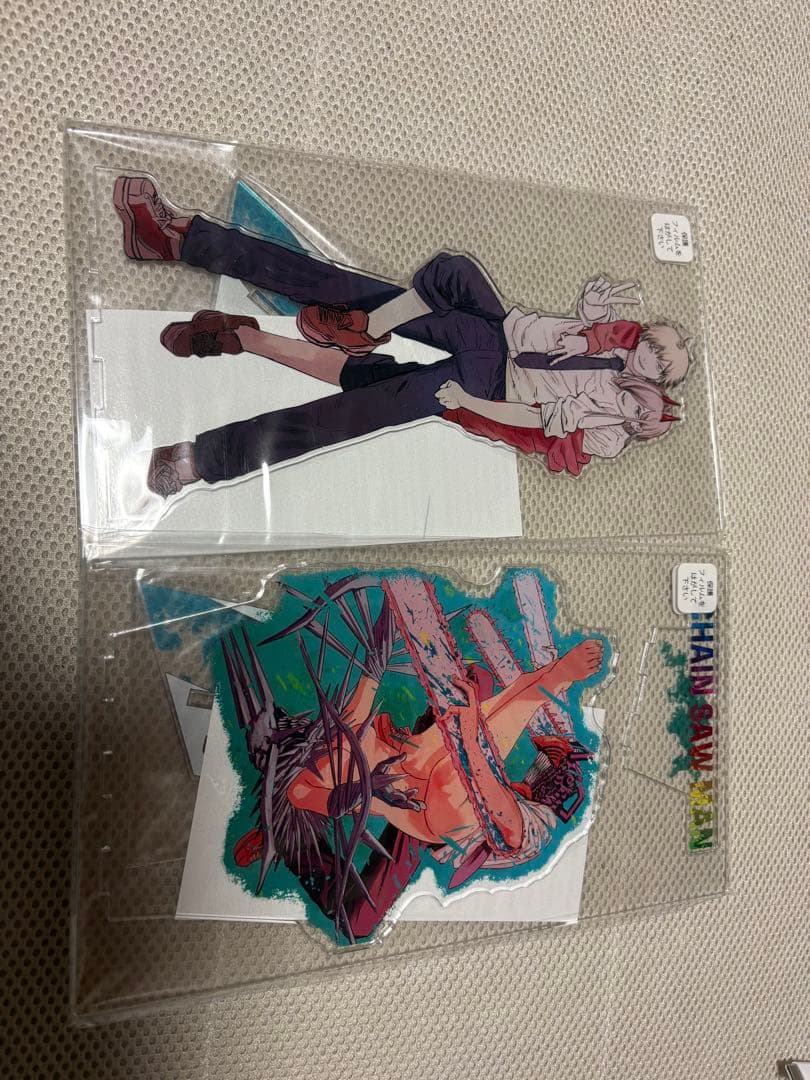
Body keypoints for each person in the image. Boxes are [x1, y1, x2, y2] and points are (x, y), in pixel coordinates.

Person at [112, 175, 690, 495]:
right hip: (493, 333)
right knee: (418, 277)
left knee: (353, 408)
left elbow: (537, 421)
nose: (642, 352)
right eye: (648, 343)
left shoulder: (613, 429)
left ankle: (199, 459)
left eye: (656, 361)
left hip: (487, 388)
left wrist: (469, 403)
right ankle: (182, 239)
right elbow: (537, 330)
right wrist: (586, 320)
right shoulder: (610, 345)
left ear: (659, 385)